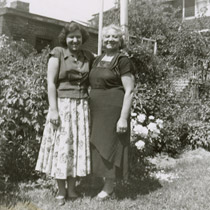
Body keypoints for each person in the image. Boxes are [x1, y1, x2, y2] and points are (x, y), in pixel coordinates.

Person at [35, 22, 94, 206]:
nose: (75, 40)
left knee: (75, 148)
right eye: (71, 37)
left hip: (81, 107)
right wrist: (53, 109)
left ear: (82, 38)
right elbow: (51, 83)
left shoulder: (88, 56)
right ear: (65, 39)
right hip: (63, 106)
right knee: (62, 147)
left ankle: (72, 189)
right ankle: (61, 191)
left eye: (78, 37)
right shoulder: (58, 53)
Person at [89, 24, 135, 200]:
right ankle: (103, 183)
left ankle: (109, 188)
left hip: (113, 111)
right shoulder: (97, 59)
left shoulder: (123, 60)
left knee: (109, 146)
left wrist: (123, 118)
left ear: (120, 40)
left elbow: (129, 91)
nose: (110, 40)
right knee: (98, 145)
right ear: (102, 39)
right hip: (97, 111)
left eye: (114, 37)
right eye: (107, 36)